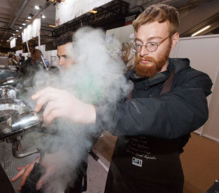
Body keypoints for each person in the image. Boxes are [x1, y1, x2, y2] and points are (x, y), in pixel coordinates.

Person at [28, 4, 213, 193]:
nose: (142, 52)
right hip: (119, 177)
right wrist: (64, 155)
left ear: (173, 40)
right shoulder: (126, 81)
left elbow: (174, 111)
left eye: (152, 43)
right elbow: (95, 124)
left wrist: (93, 112)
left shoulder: (191, 80)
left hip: (160, 183)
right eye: (139, 44)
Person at [12, 31, 105, 193]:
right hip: (56, 149)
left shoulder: (89, 85)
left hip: (71, 156)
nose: (60, 62)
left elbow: (90, 130)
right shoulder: (71, 79)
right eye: (59, 56)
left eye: (65, 57)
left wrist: (59, 155)